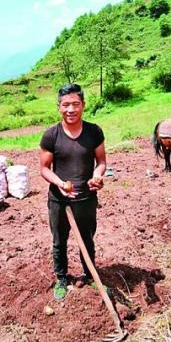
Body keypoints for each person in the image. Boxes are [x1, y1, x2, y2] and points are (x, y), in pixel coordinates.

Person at [40, 83, 106, 300]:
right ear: (59, 107)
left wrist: (97, 176)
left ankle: (90, 276)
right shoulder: (51, 135)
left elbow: (101, 162)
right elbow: (43, 169)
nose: (71, 110)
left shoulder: (94, 132)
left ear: (83, 105)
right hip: (59, 201)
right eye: (66, 105)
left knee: (87, 239)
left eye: (75, 104)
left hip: (86, 199)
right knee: (59, 240)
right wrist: (59, 183)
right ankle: (61, 278)